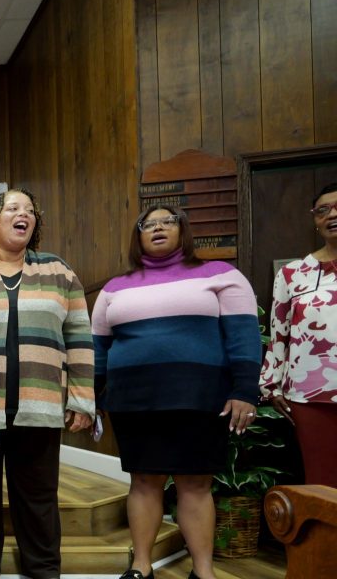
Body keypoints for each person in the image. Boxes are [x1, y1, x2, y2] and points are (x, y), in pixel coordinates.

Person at [92, 205, 260, 579]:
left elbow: (244, 338)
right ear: (137, 236)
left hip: (200, 398)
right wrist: (92, 396)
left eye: (167, 221)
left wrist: (245, 390)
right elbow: (98, 347)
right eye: (147, 224)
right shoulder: (113, 288)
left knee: (195, 483)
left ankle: (203, 571)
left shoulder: (221, 275)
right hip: (133, 400)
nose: (157, 228)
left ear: (183, 229)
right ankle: (141, 567)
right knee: (143, 480)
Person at [0, 188, 95, 579]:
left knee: (38, 499)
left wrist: (81, 399)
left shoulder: (58, 272)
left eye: (29, 210)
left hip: (40, 406)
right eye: (12, 208)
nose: (23, 214)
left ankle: (44, 570)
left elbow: (80, 338)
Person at [260, 182, 337, 489]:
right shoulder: (292, 273)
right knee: (322, 479)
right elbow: (279, 333)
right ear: (315, 220)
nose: (332, 214)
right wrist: (271, 384)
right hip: (310, 392)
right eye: (323, 210)